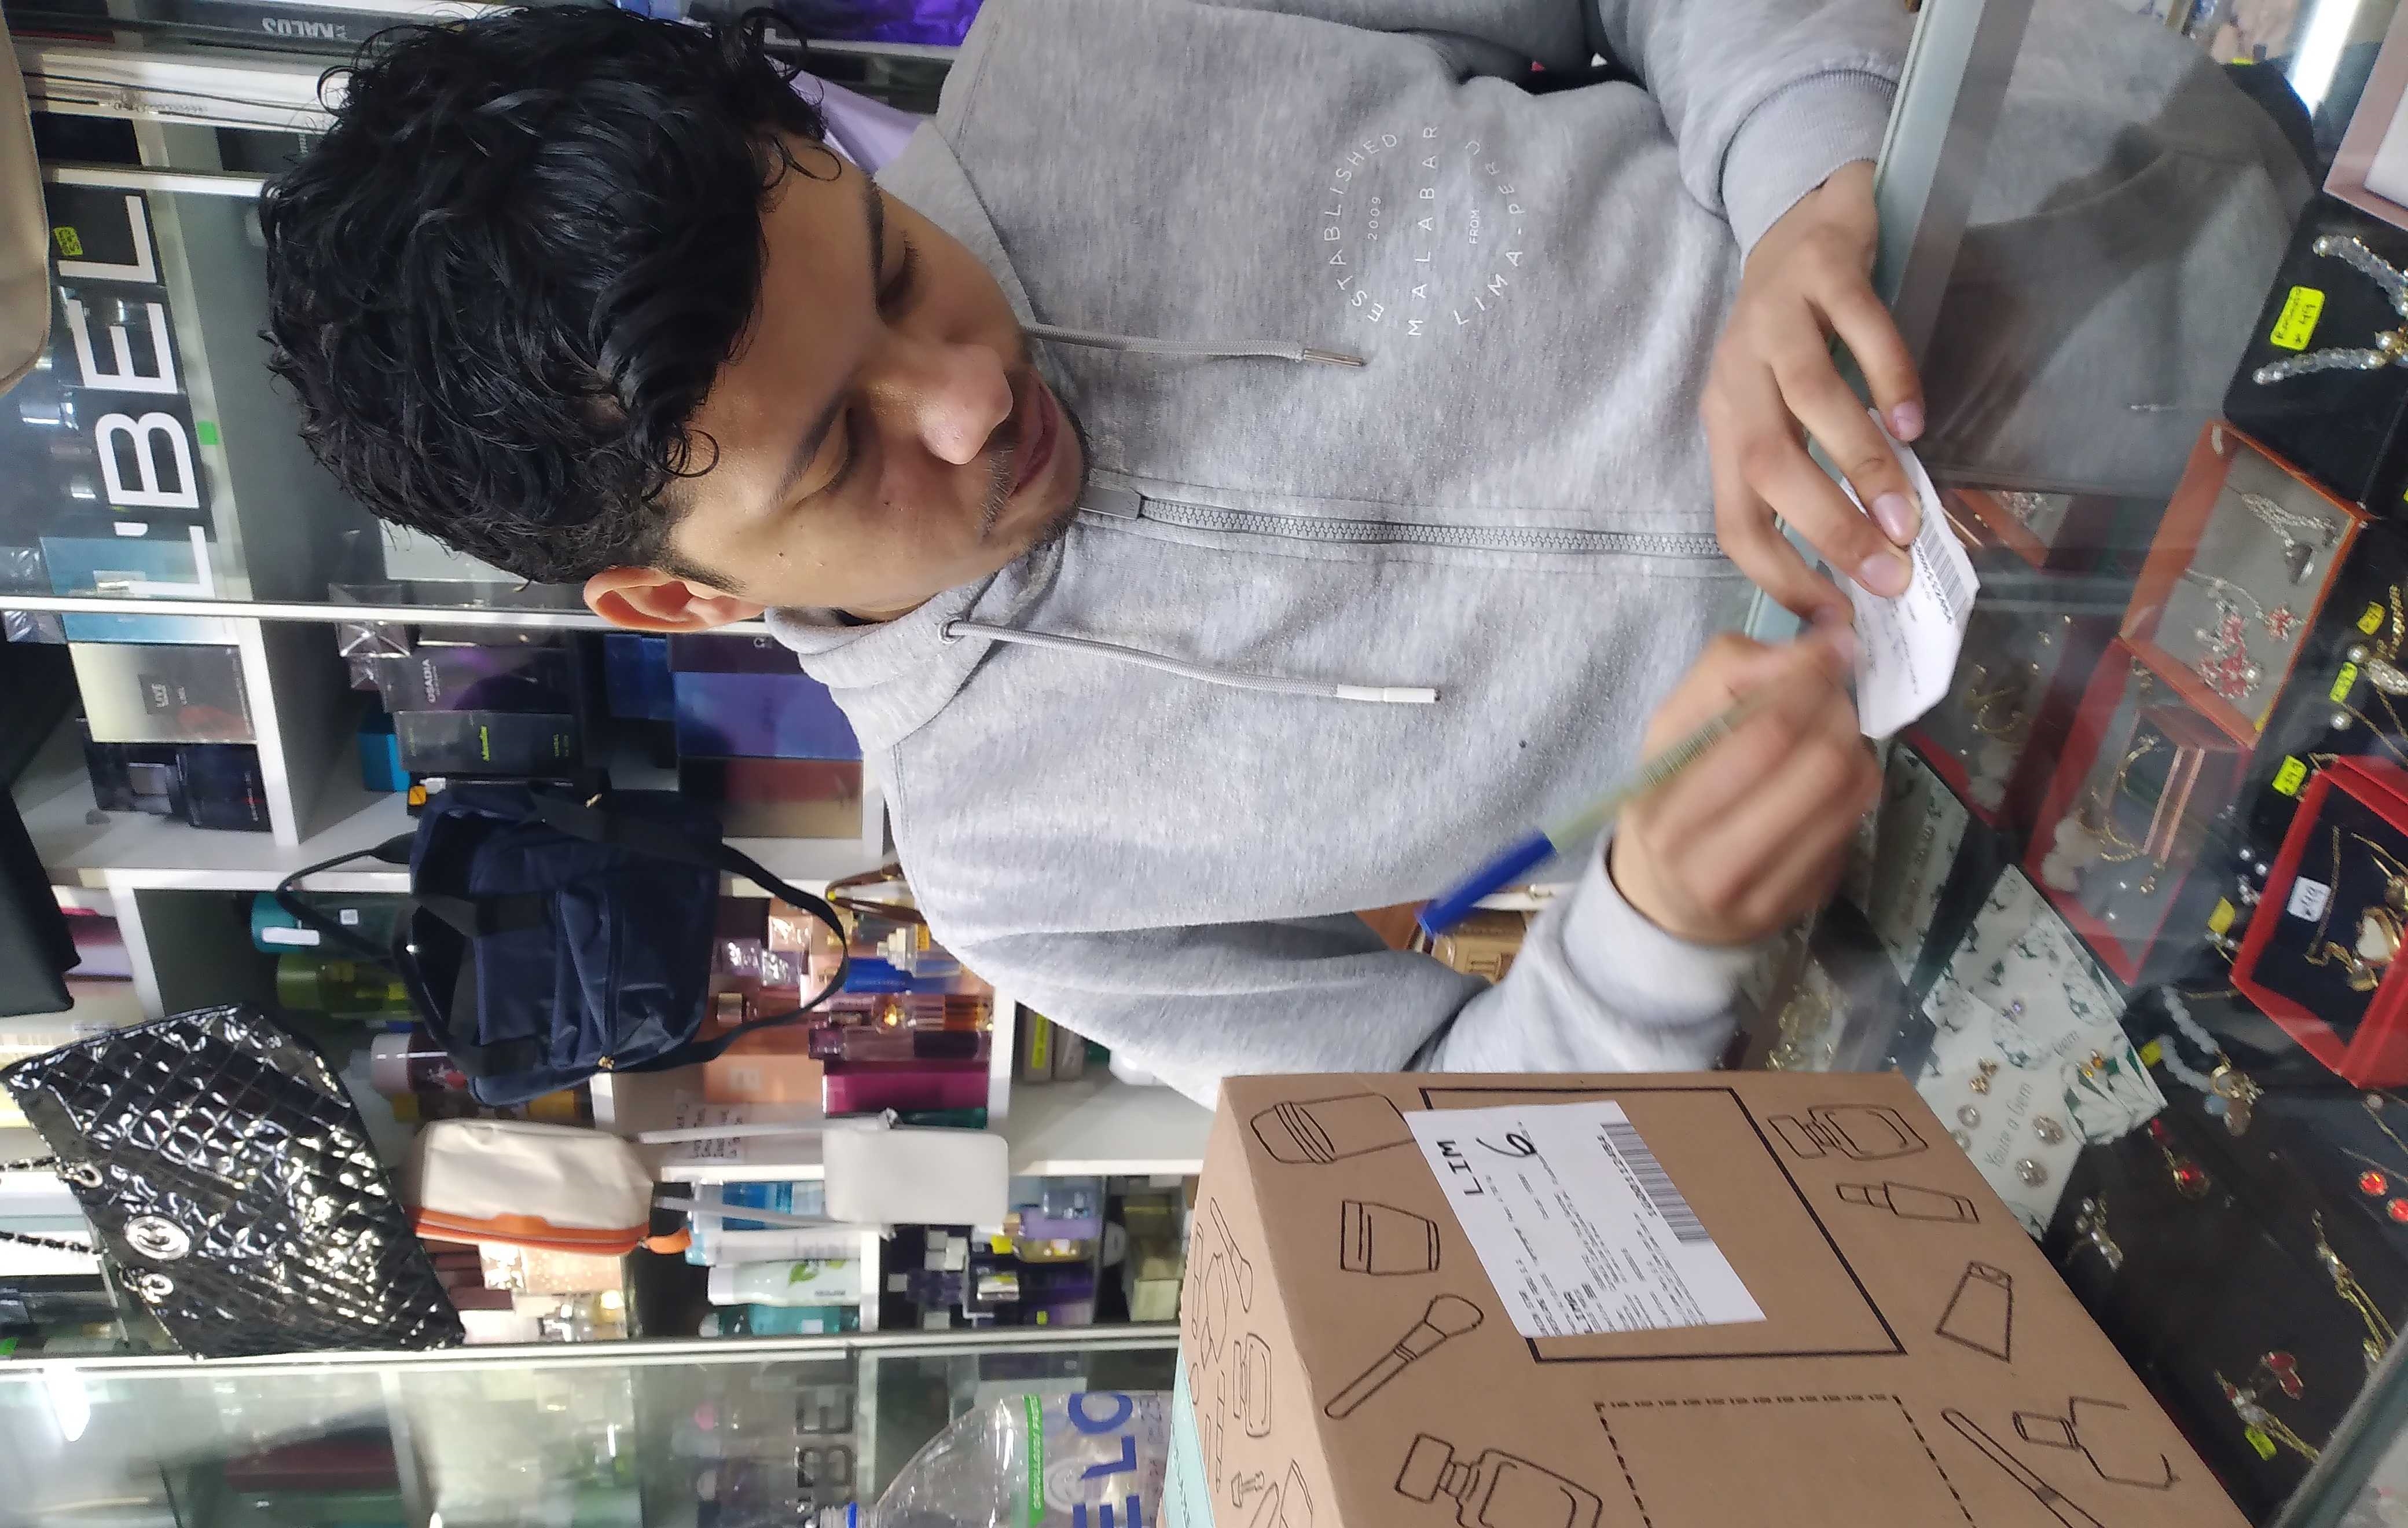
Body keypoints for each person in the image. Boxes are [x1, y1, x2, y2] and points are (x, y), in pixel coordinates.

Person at [261, 0, 1924, 1104]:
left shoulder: (1110, 32)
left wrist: (1805, 183)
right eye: (839, 450)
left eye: (894, 264)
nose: (974, 394)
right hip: (1973, 771)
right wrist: (1652, 936)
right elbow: (1447, 1143)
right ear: (678, 599)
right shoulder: (1020, 870)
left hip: (1965, 281)